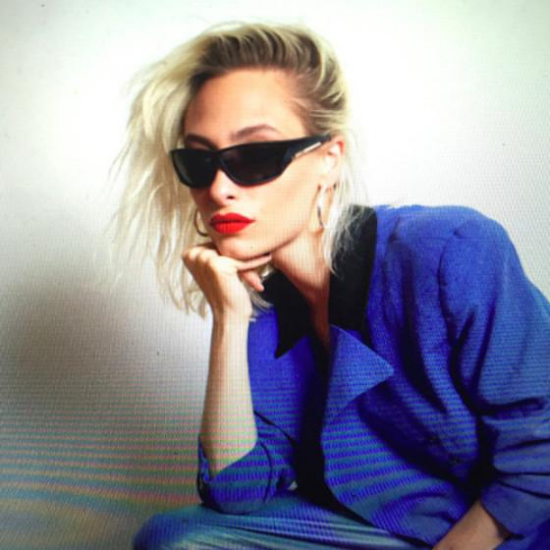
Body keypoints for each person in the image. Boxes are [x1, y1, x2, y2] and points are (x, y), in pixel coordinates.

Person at [113, 22, 550, 549]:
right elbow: (235, 490)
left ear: (329, 159)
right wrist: (229, 318)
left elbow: (541, 456)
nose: (219, 188)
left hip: (505, 533)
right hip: (378, 529)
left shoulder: (449, 253)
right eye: (199, 161)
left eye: (254, 156)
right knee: (173, 538)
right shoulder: (267, 310)